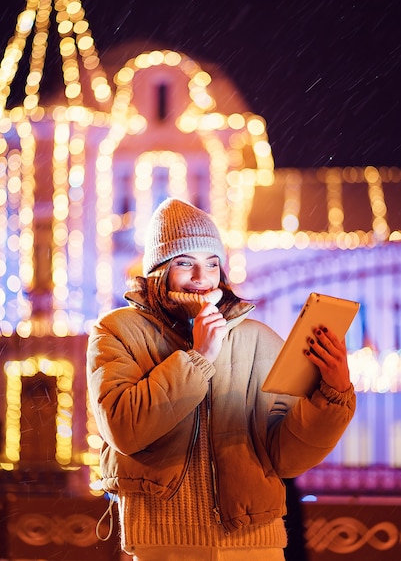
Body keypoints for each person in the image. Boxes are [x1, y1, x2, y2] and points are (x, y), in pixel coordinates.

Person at [86, 197, 356, 561]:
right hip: (164, 544)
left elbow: (287, 456)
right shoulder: (117, 331)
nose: (202, 278)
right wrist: (198, 358)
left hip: (256, 544)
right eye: (185, 263)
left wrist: (333, 393)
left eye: (212, 263)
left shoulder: (256, 337)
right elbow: (124, 428)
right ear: (158, 270)